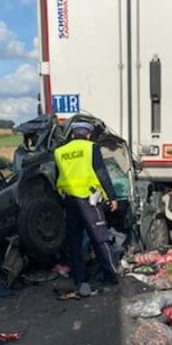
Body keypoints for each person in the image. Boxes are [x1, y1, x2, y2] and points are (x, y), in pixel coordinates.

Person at [54, 121, 119, 294]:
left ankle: (80, 279)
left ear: (73, 134)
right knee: (100, 238)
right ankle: (111, 275)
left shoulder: (60, 152)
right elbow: (101, 172)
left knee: (75, 242)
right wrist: (112, 196)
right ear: (88, 135)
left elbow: (57, 176)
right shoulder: (91, 148)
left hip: (70, 201)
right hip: (89, 200)